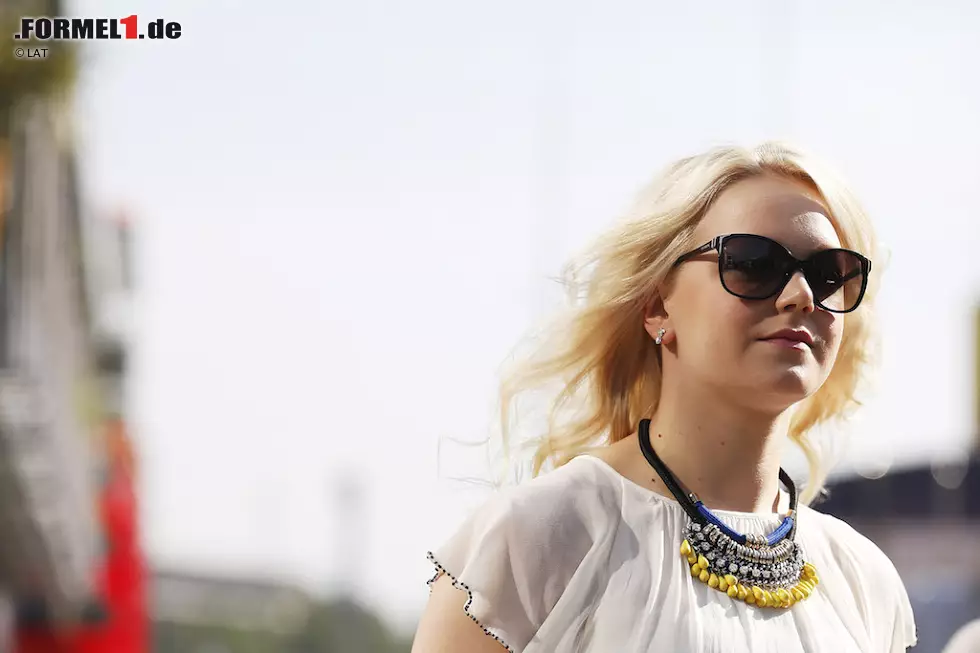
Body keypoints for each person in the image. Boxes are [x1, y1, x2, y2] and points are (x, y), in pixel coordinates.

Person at [411, 142, 917, 652]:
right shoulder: (538, 539)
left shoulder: (863, 582)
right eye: (755, 263)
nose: (801, 295)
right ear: (657, 307)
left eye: (830, 273)